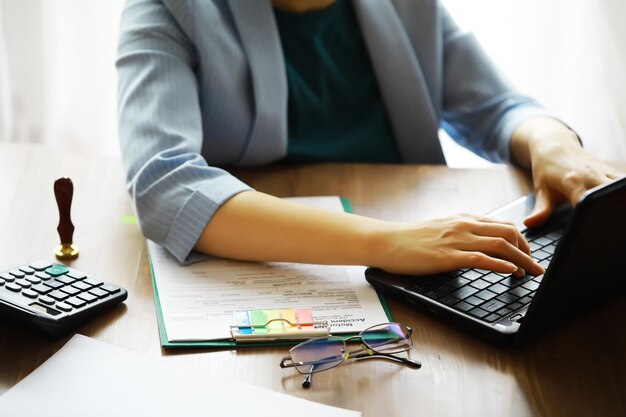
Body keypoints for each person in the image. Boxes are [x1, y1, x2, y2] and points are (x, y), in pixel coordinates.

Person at [116, 0, 621, 278]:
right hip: (288, 263)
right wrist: (391, 243)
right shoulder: (168, 8)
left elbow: (497, 107)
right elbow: (165, 186)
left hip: (418, 251)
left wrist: (552, 143)